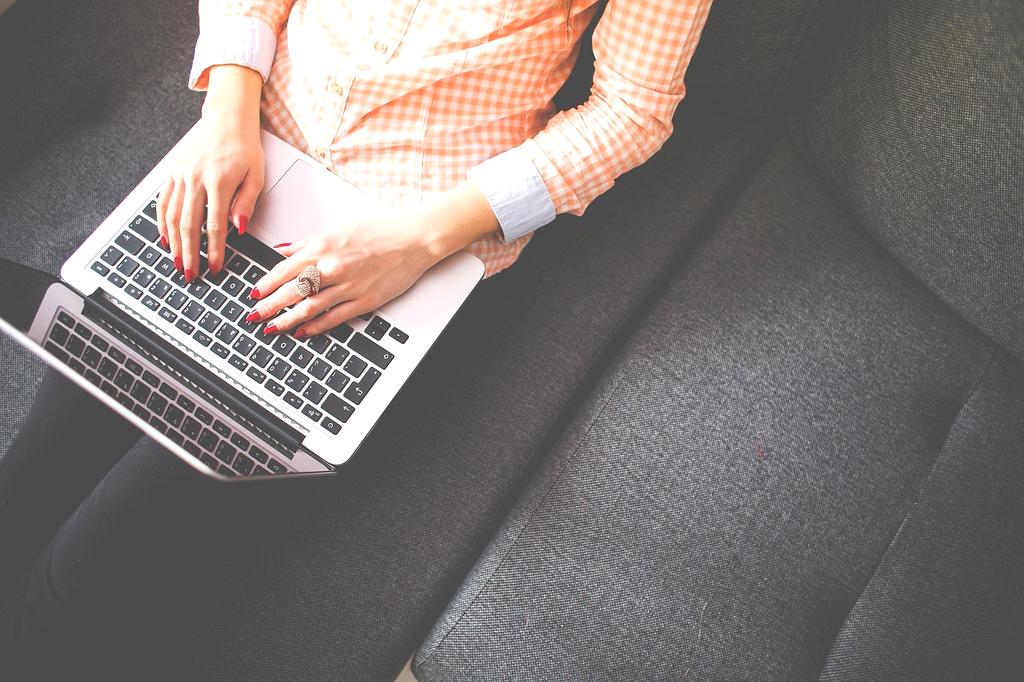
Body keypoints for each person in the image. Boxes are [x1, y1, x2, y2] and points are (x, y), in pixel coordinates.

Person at [0, 0, 712, 674]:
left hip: (400, 244)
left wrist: (414, 240)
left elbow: (631, 110)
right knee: (31, 477)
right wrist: (225, 113)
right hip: (250, 159)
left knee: (83, 578)